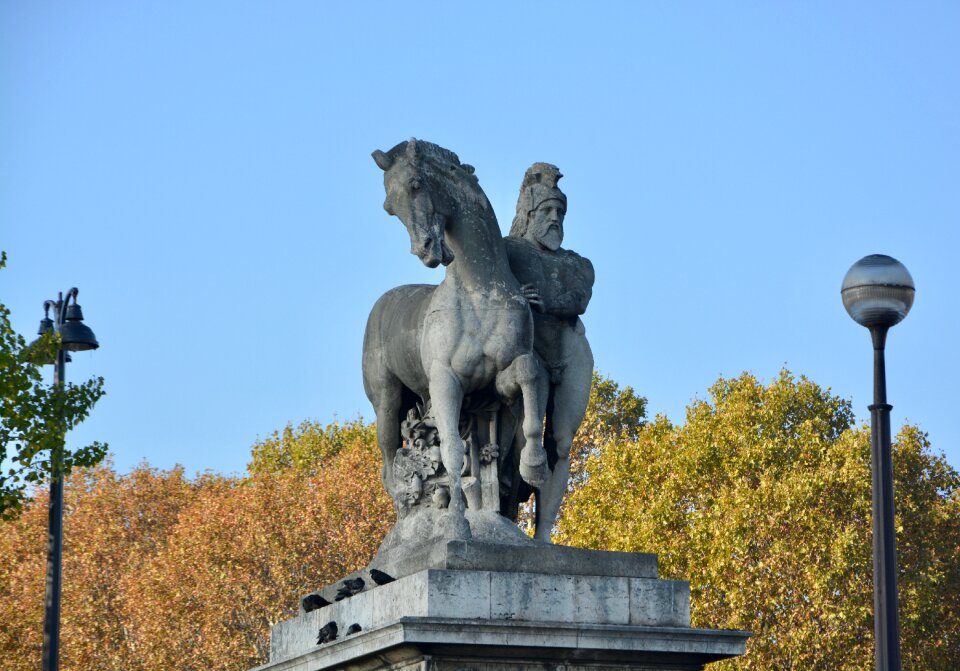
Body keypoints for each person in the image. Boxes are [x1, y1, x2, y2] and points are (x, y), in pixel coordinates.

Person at [504, 163, 594, 541]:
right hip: (527, 353)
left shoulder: (578, 263)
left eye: (560, 212)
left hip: (571, 351)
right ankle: (504, 514)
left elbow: (578, 299)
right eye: (547, 211)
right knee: (517, 442)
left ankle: (543, 533)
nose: (555, 218)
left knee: (562, 443)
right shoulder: (508, 251)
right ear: (529, 215)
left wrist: (543, 303)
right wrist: (511, 297)